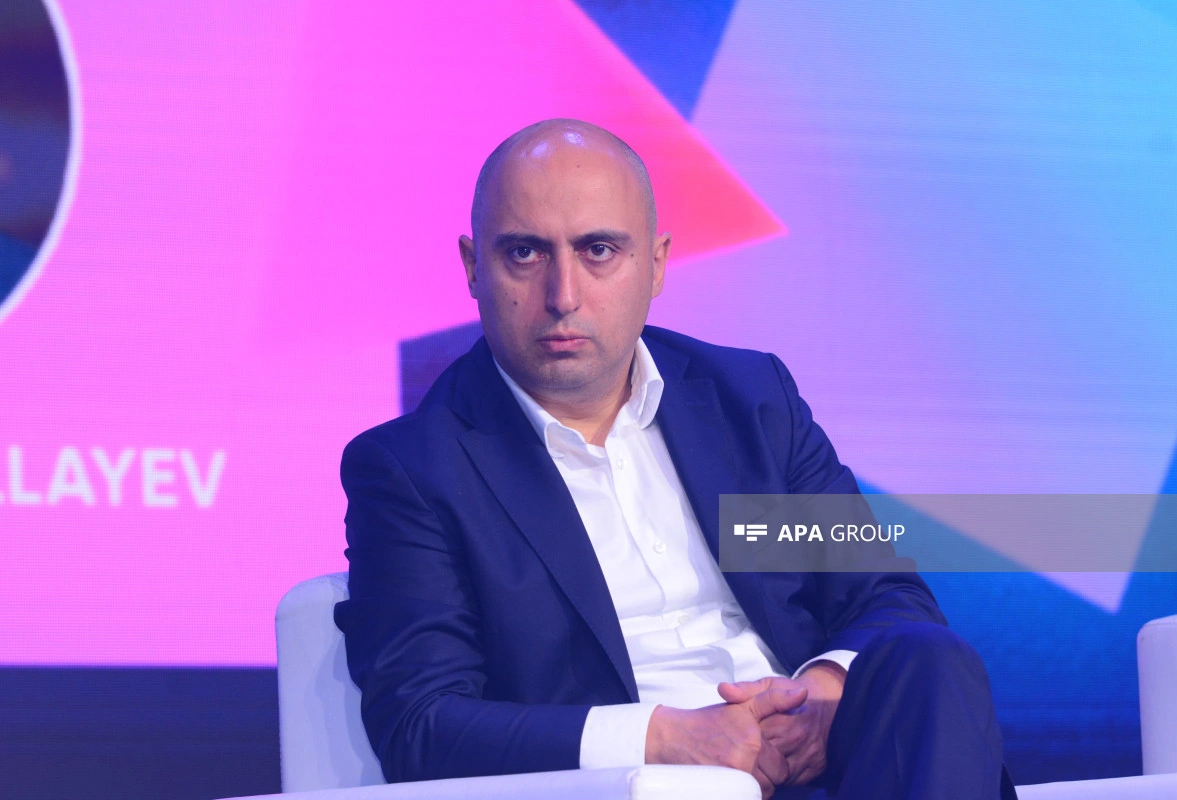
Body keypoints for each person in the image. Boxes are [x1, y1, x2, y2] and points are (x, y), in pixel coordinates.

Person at [335, 119, 1017, 799]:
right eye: (524, 253)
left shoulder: (749, 402)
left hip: (825, 773)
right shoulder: (415, 470)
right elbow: (422, 726)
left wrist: (820, 693)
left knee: (929, 659)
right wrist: (663, 739)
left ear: (656, 264)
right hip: (628, 789)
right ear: (472, 267)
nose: (563, 295)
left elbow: (885, 595)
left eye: (599, 250)